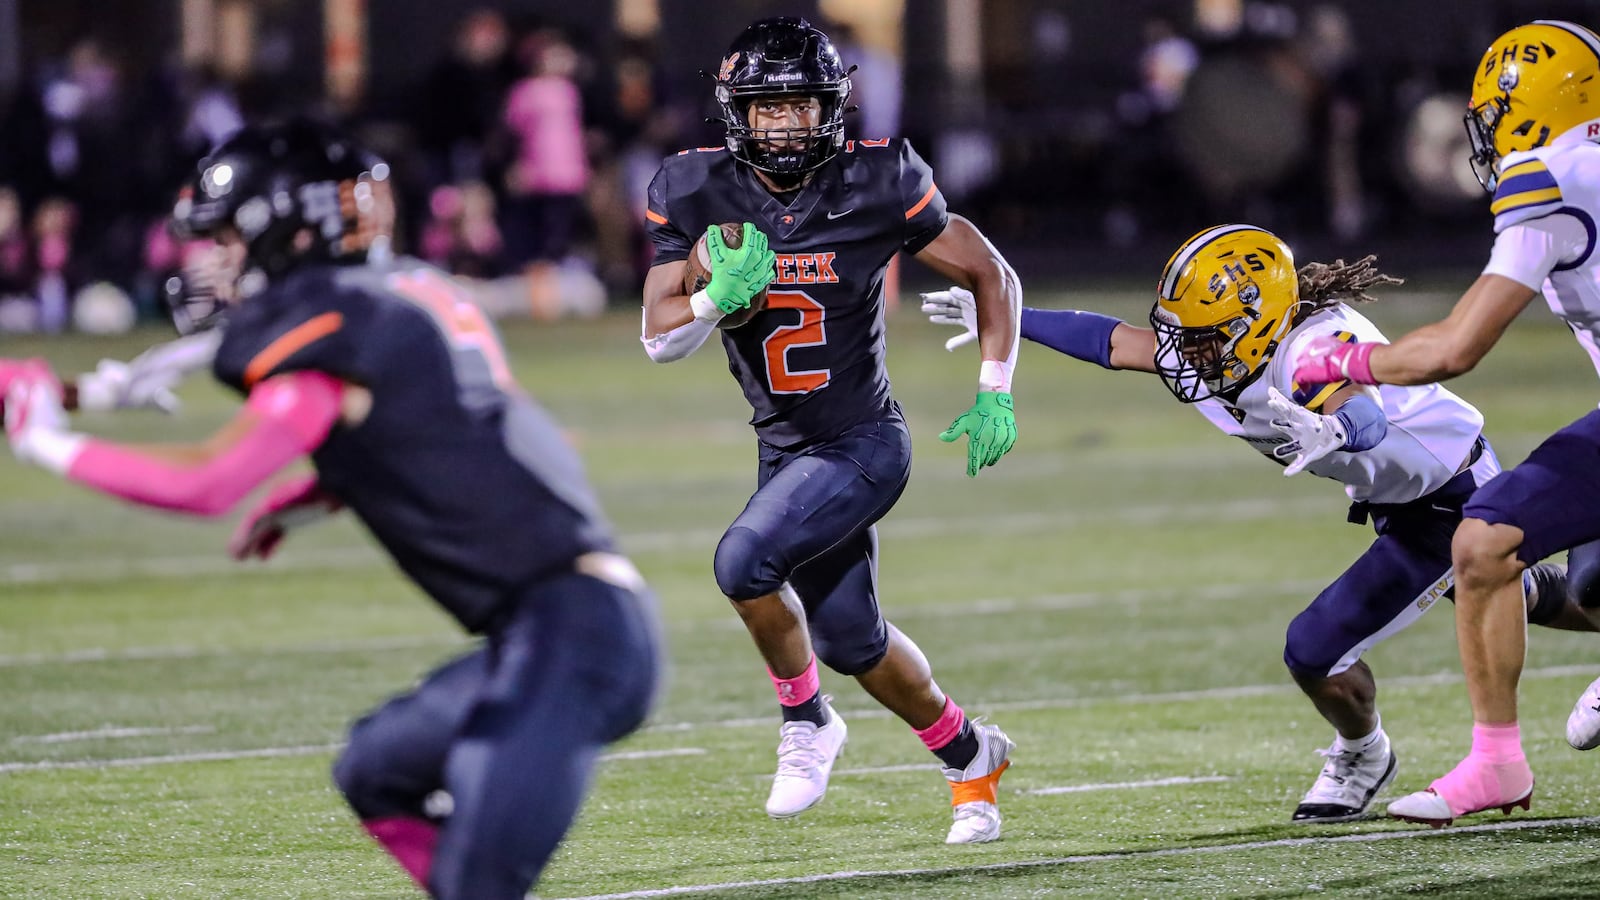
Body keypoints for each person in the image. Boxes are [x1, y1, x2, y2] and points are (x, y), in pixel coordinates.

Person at [0, 119, 662, 898]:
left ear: (291, 231)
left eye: (228, 241)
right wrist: (320, 494)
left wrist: (44, 439)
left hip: (572, 640)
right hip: (553, 632)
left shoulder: (342, 334)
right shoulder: (402, 299)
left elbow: (204, 484)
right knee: (376, 770)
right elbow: (437, 435)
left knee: (477, 886)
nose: (215, 263)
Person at [925, 223, 1587, 823]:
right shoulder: (1225, 349)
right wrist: (1006, 315)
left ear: (1253, 325)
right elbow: (1113, 341)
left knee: (1315, 647)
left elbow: (1364, 411)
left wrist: (1335, 428)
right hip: (1406, 499)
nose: (1186, 352)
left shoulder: (1308, 349)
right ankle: (1380, 740)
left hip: (1454, 500)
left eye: (1204, 338)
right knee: (1514, 596)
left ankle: (1362, 755)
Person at [639, 16, 1022, 844]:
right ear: (735, 112)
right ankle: (969, 754)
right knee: (854, 639)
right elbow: (659, 337)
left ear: (830, 108)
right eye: (765, 109)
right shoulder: (695, 189)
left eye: (799, 106)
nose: (781, 125)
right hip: (785, 447)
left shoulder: (879, 179)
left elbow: (989, 269)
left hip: (864, 443)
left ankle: (808, 720)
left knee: (744, 562)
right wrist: (711, 295)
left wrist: (995, 388)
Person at [1287, 19, 1600, 827]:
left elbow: (1456, 347)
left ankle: (1498, 760)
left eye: (1497, 116)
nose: (1491, 137)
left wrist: (1347, 364)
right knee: (1489, 541)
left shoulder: (1550, 175)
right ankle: (1497, 765)